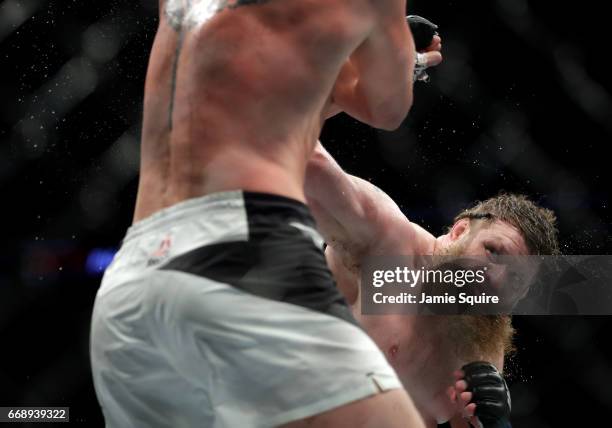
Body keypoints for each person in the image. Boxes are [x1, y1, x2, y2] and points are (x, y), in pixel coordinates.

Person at [90, 0, 443, 427]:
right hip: (246, 250)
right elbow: (386, 106)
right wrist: (396, 51)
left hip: (134, 279)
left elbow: (279, 75)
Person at [305, 143, 559, 427]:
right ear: (460, 231)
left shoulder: (482, 347)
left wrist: (496, 423)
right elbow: (307, 164)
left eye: (514, 278)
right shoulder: (385, 240)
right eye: (493, 252)